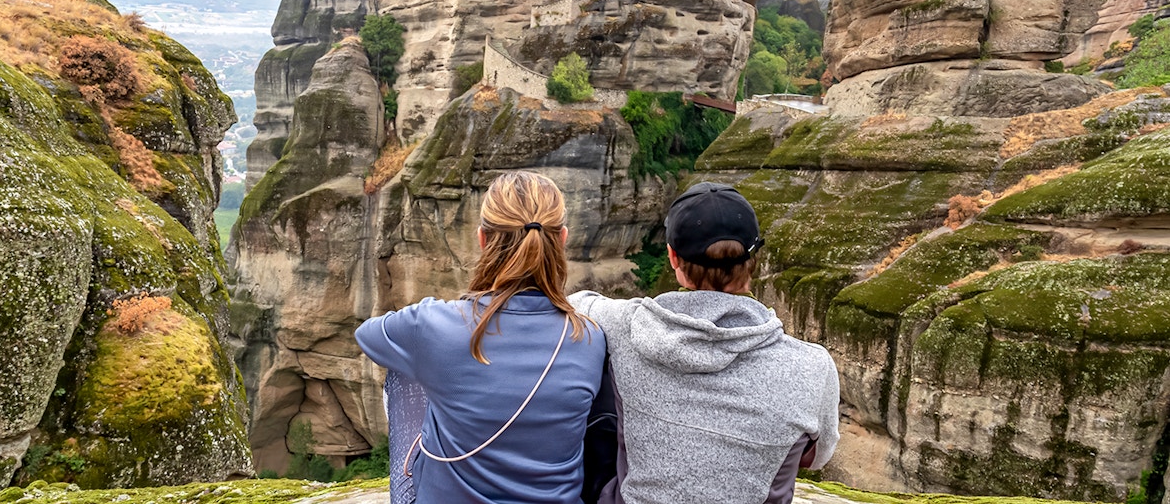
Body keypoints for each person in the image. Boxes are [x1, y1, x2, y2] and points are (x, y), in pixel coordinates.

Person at [571, 182, 841, 504]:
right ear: (754, 259)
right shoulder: (812, 366)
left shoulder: (626, 326)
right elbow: (815, 458)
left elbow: (575, 302)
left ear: (672, 257)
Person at [356, 171, 606, 504]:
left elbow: (367, 335)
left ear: (483, 239)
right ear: (561, 239)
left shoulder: (433, 324)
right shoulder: (588, 338)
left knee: (406, 364)